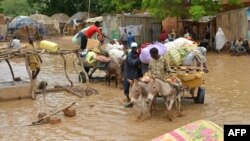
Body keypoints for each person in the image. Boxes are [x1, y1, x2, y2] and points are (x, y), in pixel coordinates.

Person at [123, 42, 141, 107]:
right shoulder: (129, 55)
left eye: (135, 48)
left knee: (135, 87)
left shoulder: (137, 54)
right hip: (129, 72)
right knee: (126, 86)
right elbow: (132, 63)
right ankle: (128, 98)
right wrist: (139, 59)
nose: (135, 49)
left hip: (135, 73)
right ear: (132, 48)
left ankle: (134, 99)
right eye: (133, 48)